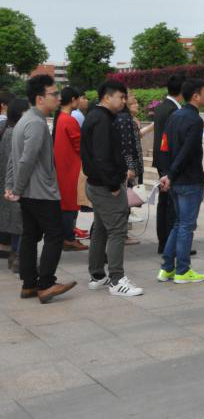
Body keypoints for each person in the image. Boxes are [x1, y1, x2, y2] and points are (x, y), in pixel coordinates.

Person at [4, 74, 76, 303]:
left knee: (30, 236)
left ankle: (29, 285)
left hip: (29, 192)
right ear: (39, 98)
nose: (58, 97)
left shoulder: (24, 120)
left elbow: (13, 159)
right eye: (54, 94)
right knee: (55, 235)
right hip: (41, 192)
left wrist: (13, 186)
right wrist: (16, 188)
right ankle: (46, 284)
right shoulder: (36, 123)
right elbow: (26, 160)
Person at [82, 80, 143, 297]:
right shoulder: (102, 120)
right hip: (104, 186)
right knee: (117, 230)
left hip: (96, 183)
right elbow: (102, 156)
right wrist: (113, 184)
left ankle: (97, 275)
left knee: (100, 228)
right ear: (107, 97)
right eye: (121, 97)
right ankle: (117, 280)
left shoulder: (96, 116)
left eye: (125, 97)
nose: (124, 101)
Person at [158, 79, 204, 284]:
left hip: (175, 180)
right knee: (186, 226)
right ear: (196, 96)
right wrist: (170, 174)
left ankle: (167, 269)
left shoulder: (174, 116)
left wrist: (166, 174)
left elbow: (164, 147)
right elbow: (187, 151)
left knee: (179, 224)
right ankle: (182, 270)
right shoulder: (195, 120)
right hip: (189, 180)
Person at [152, 74, 184, 254]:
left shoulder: (162, 107)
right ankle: (170, 245)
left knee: (164, 203)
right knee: (171, 204)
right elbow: (171, 140)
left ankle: (163, 243)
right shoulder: (173, 110)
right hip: (169, 162)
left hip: (162, 160)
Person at [53, 87, 87, 252]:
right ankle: (68, 239)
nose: (80, 101)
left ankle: (66, 237)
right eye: (79, 98)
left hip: (63, 168)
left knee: (66, 205)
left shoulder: (61, 118)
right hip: (71, 169)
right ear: (73, 99)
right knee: (70, 206)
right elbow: (80, 146)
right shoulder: (69, 120)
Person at [115, 93, 149, 246]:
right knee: (125, 200)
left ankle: (122, 233)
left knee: (127, 199)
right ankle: (121, 235)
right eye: (134, 103)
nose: (137, 105)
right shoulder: (125, 119)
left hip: (133, 165)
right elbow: (127, 146)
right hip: (129, 167)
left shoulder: (130, 119)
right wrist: (130, 167)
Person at [0, 98, 29, 272]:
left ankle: (15, 255)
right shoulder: (17, 133)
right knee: (21, 222)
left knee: (15, 221)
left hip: (6, 182)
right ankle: (18, 258)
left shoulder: (6, 130)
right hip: (15, 183)